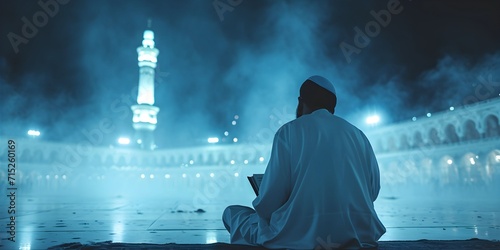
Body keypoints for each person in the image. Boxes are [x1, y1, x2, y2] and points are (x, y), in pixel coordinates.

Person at [222, 75, 386, 249]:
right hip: (358, 233)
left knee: (232, 213)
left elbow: (269, 202)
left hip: (299, 234)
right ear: (333, 106)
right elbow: (373, 191)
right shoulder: (358, 134)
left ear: (301, 101)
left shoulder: (289, 131)